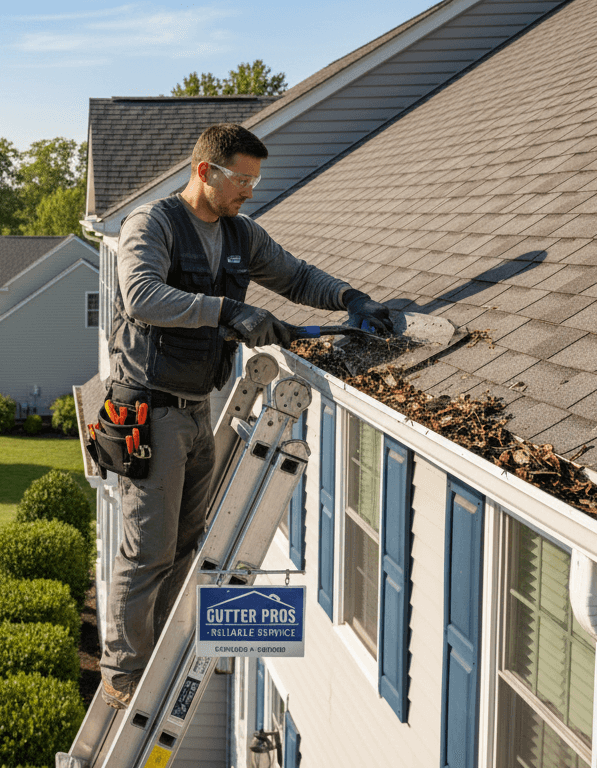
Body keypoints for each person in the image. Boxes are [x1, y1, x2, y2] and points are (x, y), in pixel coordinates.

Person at [100, 123, 392, 708]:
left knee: (185, 542)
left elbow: (297, 275)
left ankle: (160, 650)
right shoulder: (153, 225)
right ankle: (125, 674)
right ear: (205, 171)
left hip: (194, 406)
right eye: (242, 180)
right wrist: (230, 311)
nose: (250, 192)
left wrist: (351, 299)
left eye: (255, 181)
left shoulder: (239, 235)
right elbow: (141, 295)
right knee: (147, 548)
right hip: (147, 408)